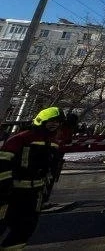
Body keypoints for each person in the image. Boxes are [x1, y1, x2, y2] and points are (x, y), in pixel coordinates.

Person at [0, 106, 65, 249]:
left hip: (34, 195)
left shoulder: (54, 143)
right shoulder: (21, 139)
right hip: (13, 192)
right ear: (42, 120)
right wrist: (4, 188)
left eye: (58, 122)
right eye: (52, 121)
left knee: (25, 229)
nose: (55, 124)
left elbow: (50, 172)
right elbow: (3, 162)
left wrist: (45, 193)